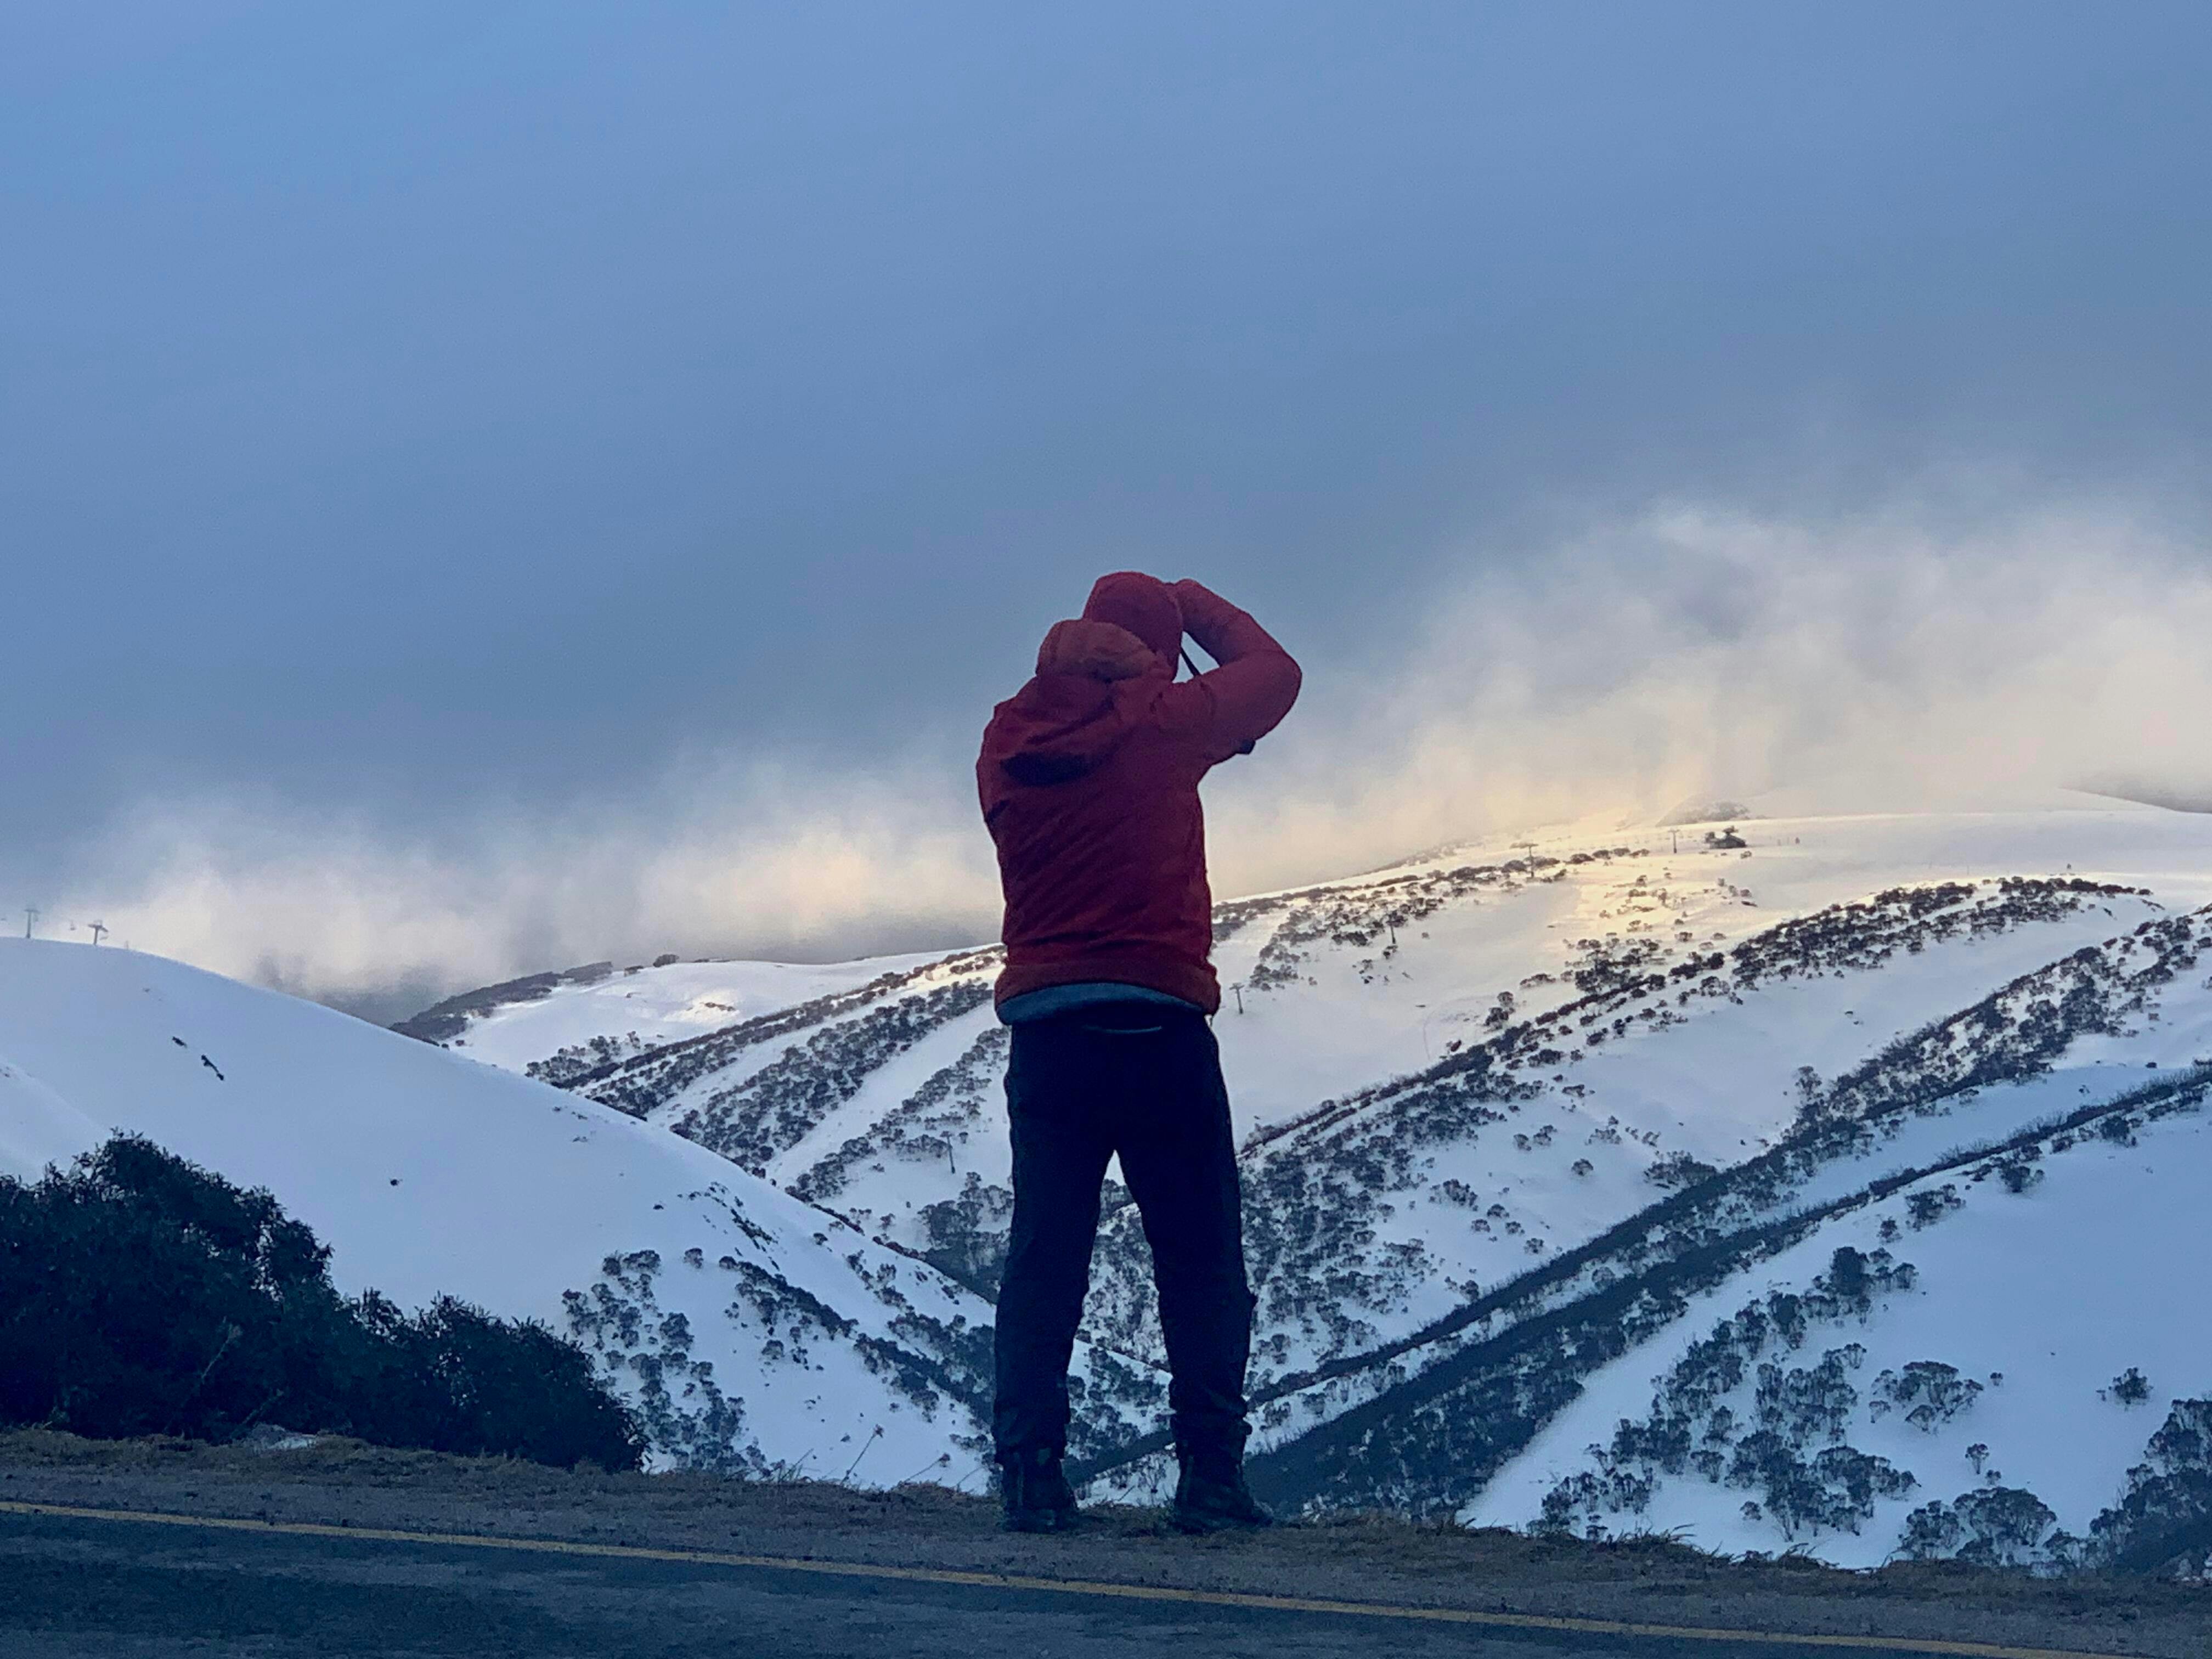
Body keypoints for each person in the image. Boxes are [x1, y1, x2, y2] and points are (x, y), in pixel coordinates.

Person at [975, 571, 1302, 1534]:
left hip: (1049, 1037)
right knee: (1199, 1263)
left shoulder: (1004, 739)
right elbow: (1276, 677)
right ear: (1155, 647)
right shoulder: (1167, 723)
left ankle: (1031, 1476)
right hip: (1160, 1031)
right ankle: (1209, 1481)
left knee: (1045, 1259)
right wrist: (1199, 607)